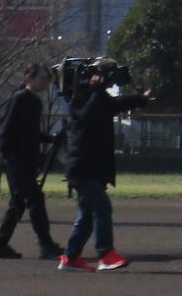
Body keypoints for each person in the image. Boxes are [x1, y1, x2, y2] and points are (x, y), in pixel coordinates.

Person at [57, 65, 155, 272]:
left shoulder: (92, 99)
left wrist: (140, 99)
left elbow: (114, 104)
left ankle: (71, 257)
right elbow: (95, 111)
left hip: (88, 167)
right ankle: (105, 254)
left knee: (87, 212)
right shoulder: (83, 101)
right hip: (82, 167)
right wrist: (98, 89)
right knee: (102, 207)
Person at [0, 64, 60, 260]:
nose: (46, 82)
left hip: (25, 158)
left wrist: (51, 138)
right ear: (28, 77)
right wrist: (0, 150)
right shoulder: (20, 98)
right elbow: (6, 125)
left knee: (19, 202)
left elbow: (31, 132)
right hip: (15, 158)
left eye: (48, 79)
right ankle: (46, 244)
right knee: (35, 199)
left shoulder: (34, 101)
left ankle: (1, 245)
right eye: (43, 78)